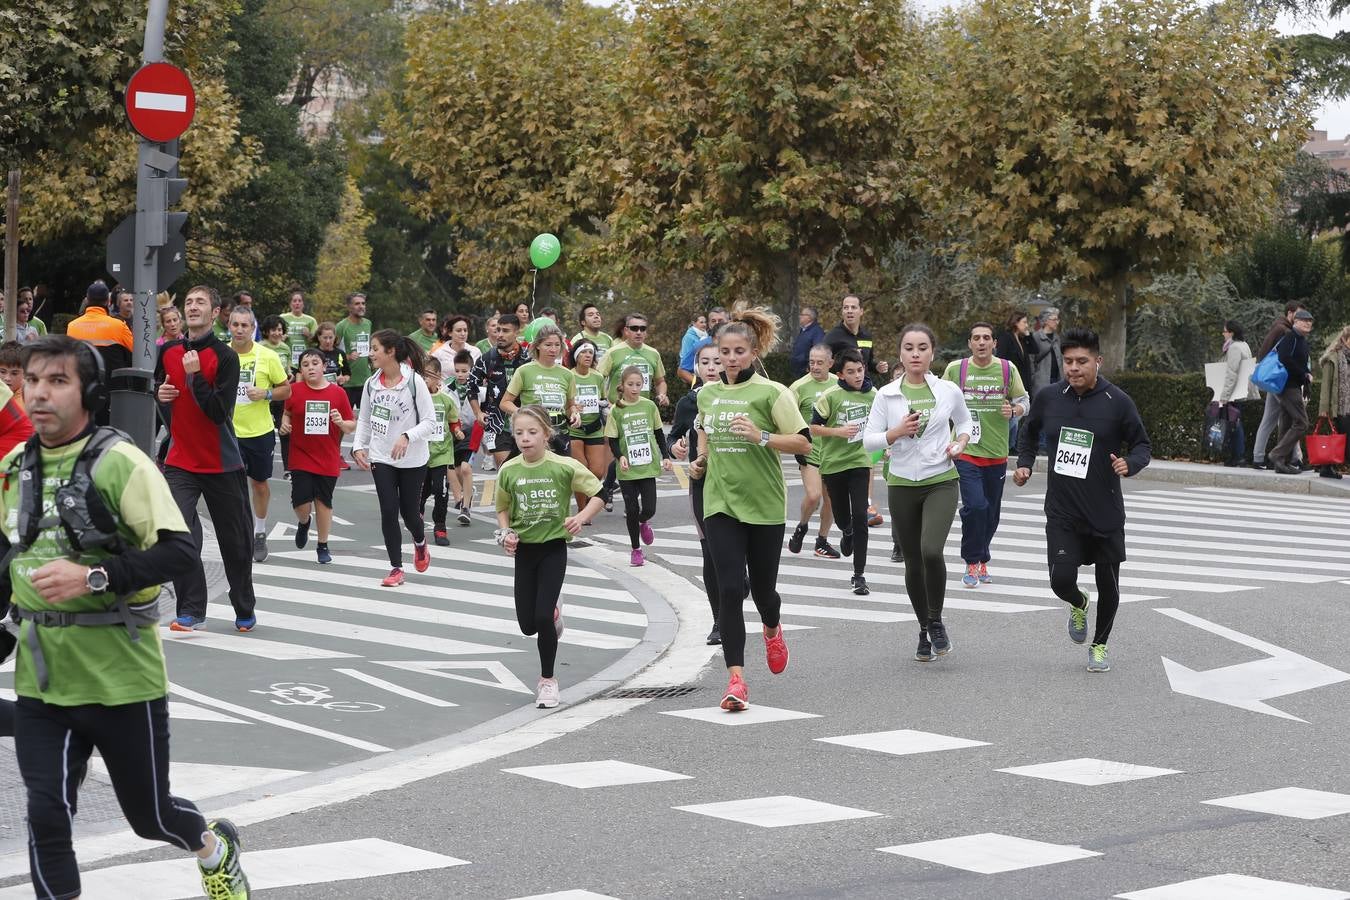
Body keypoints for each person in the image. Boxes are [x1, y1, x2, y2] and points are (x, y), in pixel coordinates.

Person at [4, 336, 251, 900]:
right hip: (44, 682)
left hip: (122, 677)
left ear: (89, 392)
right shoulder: (14, 467)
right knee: (45, 816)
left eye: (57, 381)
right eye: (33, 380)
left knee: (151, 817)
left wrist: (92, 576)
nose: (39, 393)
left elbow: (181, 553)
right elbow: (6, 562)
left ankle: (214, 849)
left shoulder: (121, 462)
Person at [1014, 327, 1152, 674]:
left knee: (1109, 584)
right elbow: (1029, 434)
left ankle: (1100, 645)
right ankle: (1078, 602)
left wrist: (1129, 464)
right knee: (1060, 579)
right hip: (1062, 508)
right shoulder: (1049, 397)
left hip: (1104, 509)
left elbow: (1142, 445)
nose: (1074, 368)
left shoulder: (1117, 401)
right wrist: (1025, 464)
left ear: (1098, 361)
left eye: (1082, 361)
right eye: (1069, 361)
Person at [693, 304, 810, 712]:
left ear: (754, 351)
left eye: (739, 351)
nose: (730, 359)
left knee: (763, 592)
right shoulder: (707, 393)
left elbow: (803, 442)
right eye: (724, 352)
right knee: (728, 590)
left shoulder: (772, 392)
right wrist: (700, 460)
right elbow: (706, 434)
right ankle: (736, 680)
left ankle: (773, 628)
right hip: (720, 502)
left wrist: (762, 437)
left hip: (763, 505)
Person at [863, 323, 971, 662]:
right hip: (902, 483)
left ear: (932, 353)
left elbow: (966, 423)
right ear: (900, 353)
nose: (915, 354)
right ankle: (923, 629)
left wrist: (960, 442)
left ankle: (936, 619)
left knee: (930, 550)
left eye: (922, 347)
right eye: (909, 347)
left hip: (940, 479)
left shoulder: (948, 390)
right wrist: (894, 433)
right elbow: (869, 440)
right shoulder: (886, 395)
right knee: (912, 561)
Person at [155, 285, 259, 632]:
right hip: (182, 462)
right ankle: (191, 608)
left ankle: (243, 604)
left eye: (201, 302)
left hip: (222, 463)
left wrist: (196, 375)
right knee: (174, 534)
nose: (193, 306)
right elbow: (165, 400)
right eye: (189, 302)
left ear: (216, 314)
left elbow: (218, 413)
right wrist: (162, 395)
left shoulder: (226, 358)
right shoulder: (168, 352)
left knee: (237, 544)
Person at [495, 405, 605, 708]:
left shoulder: (563, 466)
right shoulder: (509, 470)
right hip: (525, 551)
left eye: (532, 432)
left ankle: (547, 681)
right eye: (519, 433)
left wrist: (581, 517)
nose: (525, 439)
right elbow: (502, 509)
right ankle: (552, 612)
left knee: (542, 617)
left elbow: (600, 493)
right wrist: (505, 534)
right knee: (527, 625)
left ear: (546, 434)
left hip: (554, 548)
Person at [941, 322, 1029, 587]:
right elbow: (938, 401)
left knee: (991, 512)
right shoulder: (957, 369)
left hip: (997, 452)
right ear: (969, 343)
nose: (981, 342)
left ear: (994, 343)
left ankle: (982, 560)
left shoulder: (1006, 369)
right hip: (966, 450)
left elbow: (1025, 400)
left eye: (986, 338)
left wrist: (1015, 411)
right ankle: (971, 560)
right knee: (975, 506)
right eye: (976, 338)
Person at [353, 330, 437, 587]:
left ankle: (420, 542)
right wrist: (358, 446)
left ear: (390, 352)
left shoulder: (414, 382)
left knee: (410, 514)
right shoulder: (371, 384)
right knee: (389, 511)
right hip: (382, 456)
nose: (371, 353)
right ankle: (396, 568)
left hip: (413, 459)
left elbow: (430, 422)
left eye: (376, 348)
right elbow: (365, 419)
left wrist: (407, 436)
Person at [670, 340, 727, 644]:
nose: (712, 367)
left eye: (717, 361)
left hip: (736, 482)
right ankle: (718, 621)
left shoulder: (736, 398)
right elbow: (674, 437)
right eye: (705, 362)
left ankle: (740, 576)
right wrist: (676, 446)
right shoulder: (688, 403)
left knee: (734, 548)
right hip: (702, 482)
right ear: (696, 367)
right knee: (709, 551)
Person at [811, 348, 878, 595]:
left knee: (861, 515)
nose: (857, 375)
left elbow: (883, 424)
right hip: (833, 464)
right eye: (851, 372)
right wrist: (838, 432)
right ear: (840, 374)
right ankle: (845, 531)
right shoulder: (830, 395)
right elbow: (813, 428)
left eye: (860, 370)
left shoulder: (874, 395)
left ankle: (859, 575)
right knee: (842, 518)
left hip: (860, 461)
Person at [228, 305, 291, 564]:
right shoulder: (221, 355)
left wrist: (265, 394)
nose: (240, 329)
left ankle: (260, 531)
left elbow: (286, 390)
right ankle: (237, 535)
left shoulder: (267, 356)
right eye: (235, 324)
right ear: (229, 326)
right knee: (231, 487)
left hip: (259, 431)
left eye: (245, 325)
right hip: (228, 432)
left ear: (253, 329)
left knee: (259, 484)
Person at [281, 348, 356, 564]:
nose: (310, 367)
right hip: (301, 454)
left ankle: (322, 545)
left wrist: (341, 423)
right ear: (301, 370)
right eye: (305, 364)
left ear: (324, 366)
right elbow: (287, 413)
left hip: (327, 455)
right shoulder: (293, 390)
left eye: (315, 363)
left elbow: (351, 424)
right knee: (301, 502)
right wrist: (285, 424)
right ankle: (304, 522)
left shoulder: (338, 393)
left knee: (323, 501)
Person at [607, 365, 674, 566]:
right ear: (622, 385)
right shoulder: (616, 409)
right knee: (631, 508)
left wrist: (665, 456)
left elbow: (659, 433)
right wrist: (620, 457)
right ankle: (636, 550)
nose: (635, 388)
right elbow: (612, 439)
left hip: (647, 466)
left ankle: (643, 522)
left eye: (638, 384)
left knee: (649, 509)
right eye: (630, 384)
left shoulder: (649, 406)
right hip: (628, 469)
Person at [786, 345, 840, 559]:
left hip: (834, 452)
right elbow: (787, 416)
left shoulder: (839, 384)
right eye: (811, 362)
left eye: (820, 362)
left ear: (830, 363)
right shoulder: (798, 387)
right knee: (814, 495)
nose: (815, 367)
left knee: (832, 500)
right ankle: (802, 526)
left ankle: (822, 541)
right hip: (810, 451)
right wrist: (796, 441)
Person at [501, 322, 579, 455]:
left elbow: (570, 406)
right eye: (548, 345)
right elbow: (505, 403)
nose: (553, 349)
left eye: (557, 345)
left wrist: (575, 414)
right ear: (537, 345)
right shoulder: (524, 371)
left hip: (559, 434)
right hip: (532, 432)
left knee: (560, 473)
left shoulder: (567, 374)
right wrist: (526, 414)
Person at [468, 313, 531, 467]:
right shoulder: (487, 358)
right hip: (497, 424)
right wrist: (478, 413)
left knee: (527, 468)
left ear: (516, 333)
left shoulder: (528, 358)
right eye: (498, 330)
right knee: (506, 470)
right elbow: (471, 386)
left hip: (526, 423)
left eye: (506, 331)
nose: (500, 335)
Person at [68, 281, 134, 424]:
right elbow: (135, 355)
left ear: (87, 299)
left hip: (82, 395)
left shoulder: (72, 327)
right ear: (108, 301)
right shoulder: (118, 326)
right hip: (113, 398)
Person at [1252, 301, 1306, 469]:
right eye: (1297, 315)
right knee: (1293, 421)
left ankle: (1259, 458)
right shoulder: (1286, 331)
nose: (1300, 319)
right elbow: (1286, 357)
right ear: (1290, 314)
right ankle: (1293, 458)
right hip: (1281, 381)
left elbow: (1263, 353)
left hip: (1274, 380)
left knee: (1273, 420)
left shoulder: (1277, 327)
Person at [420, 359, 465, 546]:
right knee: (422, 491)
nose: (424, 379)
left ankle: (440, 527)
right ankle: (417, 515)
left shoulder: (446, 400)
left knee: (441, 490)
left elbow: (454, 421)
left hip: (442, 453)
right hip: (421, 454)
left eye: (428, 375)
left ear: (438, 378)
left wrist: (457, 431)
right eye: (421, 375)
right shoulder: (417, 399)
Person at [1269, 309, 1315, 475]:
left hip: (1294, 385)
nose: (1308, 323)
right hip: (1288, 386)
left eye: (1310, 321)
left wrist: (1306, 376)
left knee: (1287, 422)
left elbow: (1300, 362)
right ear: (1295, 322)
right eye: (1304, 320)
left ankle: (1281, 463)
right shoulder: (1290, 337)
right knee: (1302, 423)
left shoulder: (1301, 340)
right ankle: (1277, 454)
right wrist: (1302, 374)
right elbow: (1284, 358)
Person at [567, 339, 610, 512]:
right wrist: (572, 408)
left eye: (591, 353)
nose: (587, 355)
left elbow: (604, 399)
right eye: (584, 352)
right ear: (576, 355)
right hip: (575, 428)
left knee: (598, 471)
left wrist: (603, 403)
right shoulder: (568, 375)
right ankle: (582, 509)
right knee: (581, 469)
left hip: (594, 428)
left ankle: (588, 500)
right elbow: (565, 401)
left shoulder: (597, 377)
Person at [1219, 320, 1257, 468]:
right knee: (1236, 421)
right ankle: (1237, 456)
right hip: (1241, 391)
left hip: (1234, 392)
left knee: (1234, 423)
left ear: (1231, 333)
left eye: (1224, 331)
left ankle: (1237, 456)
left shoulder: (1234, 348)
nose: (1223, 334)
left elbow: (1232, 373)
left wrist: (1224, 396)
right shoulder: (1244, 345)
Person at [824, 294, 890, 380]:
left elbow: (868, 363)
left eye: (853, 307)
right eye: (846, 308)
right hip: (842, 387)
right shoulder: (832, 337)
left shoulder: (866, 335)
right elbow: (823, 364)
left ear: (861, 311)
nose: (849, 311)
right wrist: (847, 357)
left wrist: (877, 367)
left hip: (864, 387)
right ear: (842, 311)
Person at [996, 309, 1034, 450]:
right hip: (1009, 382)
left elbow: (1035, 349)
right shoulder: (1006, 338)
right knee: (1012, 415)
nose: (1027, 325)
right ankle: (1010, 445)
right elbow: (1001, 359)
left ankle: (1012, 445)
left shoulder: (1023, 339)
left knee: (1019, 414)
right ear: (1015, 323)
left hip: (1022, 382)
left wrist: (1028, 335)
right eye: (1024, 322)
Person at [1316, 323, 1350, 479]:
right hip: (1340, 407)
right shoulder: (1333, 358)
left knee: (1340, 439)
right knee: (1343, 438)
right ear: (1345, 339)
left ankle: (1327, 466)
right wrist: (1324, 408)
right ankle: (1327, 466)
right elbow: (1326, 385)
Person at [449, 350, 477, 524]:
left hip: (472, 431)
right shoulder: (446, 388)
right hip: (453, 433)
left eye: (464, 371)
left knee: (466, 469)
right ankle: (468, 491)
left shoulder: (479, 389)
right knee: (458, 470)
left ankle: (465, 508)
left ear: (471, 370)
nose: (460, 375)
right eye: (457, 371)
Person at [334, 292, 373, 411]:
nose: (361, 306)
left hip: (366, 379)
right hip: (348, 382)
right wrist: (348, 356)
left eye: (363, 303)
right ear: (349, 307)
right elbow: (332, 352)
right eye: (357, 304)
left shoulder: (368, 323)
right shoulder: (341, 326)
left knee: (366, 420)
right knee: (345, 419)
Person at [676, 307, 729, 385]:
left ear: (729, 321)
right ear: (709, 324)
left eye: (721, 320)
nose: (717, 323)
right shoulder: (701, 344)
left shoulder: (739, 343)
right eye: (713, 321)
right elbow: (682, 371)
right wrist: (699, 384)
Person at [280, 288, 318, 371]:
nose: (297, 303)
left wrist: (309, 335)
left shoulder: (311, 320)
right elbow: (274, 336)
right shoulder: (282, 318)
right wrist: (281, 339)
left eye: (300, 301)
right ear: (290, 304)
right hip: (287, 358)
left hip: (305, 359)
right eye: (294, 301)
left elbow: (316, 342)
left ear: (303, 304)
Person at [1028, 306, 1062, 397]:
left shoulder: (1057, 338)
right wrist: (1033, 378)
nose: (1057, 322)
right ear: (1046, 321)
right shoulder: (1036, 337)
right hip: (1041, 382)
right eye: (1054, 319)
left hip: (1057, 380)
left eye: (1057, 319)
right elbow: (1031, 360)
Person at [790, 306, 827, 378]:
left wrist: (809, 366)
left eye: (802, 314)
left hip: (806, 370)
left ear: (809, 317)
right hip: (798, 370)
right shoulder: (803, 330)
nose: (800, 316)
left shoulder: (817, 332)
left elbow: (818, 349)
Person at [313, 321, 351, 387]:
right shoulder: (312, 353)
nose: (328, 341)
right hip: (317, 389)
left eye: (330, 337)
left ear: (335, 337)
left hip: (335, 390)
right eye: (325, 338)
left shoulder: (340, 353)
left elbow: (347, 374)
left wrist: (343, 379)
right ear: (319, 337)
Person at [677, 313, 709, 386]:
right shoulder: (688, 337)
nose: (704, 324)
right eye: (701, 322)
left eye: (705, 322)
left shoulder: (705, 335)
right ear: (693, 323)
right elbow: (685, 356)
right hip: (692, 373)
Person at [0, 341, 25, 411]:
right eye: (2, 372)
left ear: (25, 373)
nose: (7, 378)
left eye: (14, 373)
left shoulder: (28, 400)